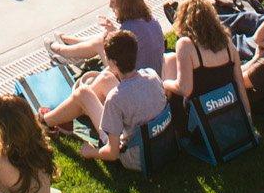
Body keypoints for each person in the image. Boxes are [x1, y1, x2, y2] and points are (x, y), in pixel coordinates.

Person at [37, 32, 171, 165]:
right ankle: (75, 111)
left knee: (83, 92)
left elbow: (113, 153)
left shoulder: (115, 99)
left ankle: (46, 121)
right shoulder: (152, 75)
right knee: (106, 78)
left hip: (135, 155)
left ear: (112, 62)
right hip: (161, 142)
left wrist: (89, 152)